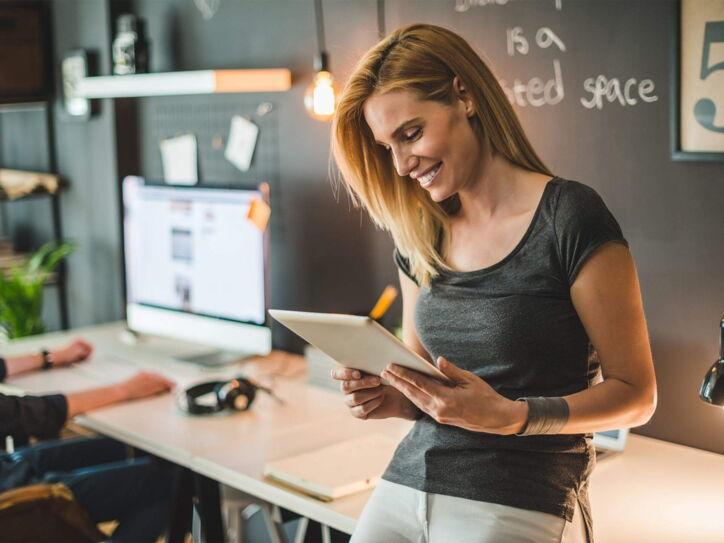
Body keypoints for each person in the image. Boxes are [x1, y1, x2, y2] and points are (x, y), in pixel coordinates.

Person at [330, 24, 656, 543]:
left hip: (520, 496)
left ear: (465, 95)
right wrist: (395, 398)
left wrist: (515, 417)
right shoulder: (421, 231)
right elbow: (430, 382)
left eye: (411, 134)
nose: (401, 164)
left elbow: (638, 396)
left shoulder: (568, 217)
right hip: (407, 483)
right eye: (387, 146)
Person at [1, 338, 176, 542]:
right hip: (15, 498)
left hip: (8, 468)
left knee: (126, 447)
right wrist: (124, 390)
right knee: (167, 481)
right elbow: (35, 414)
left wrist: (49, 358)